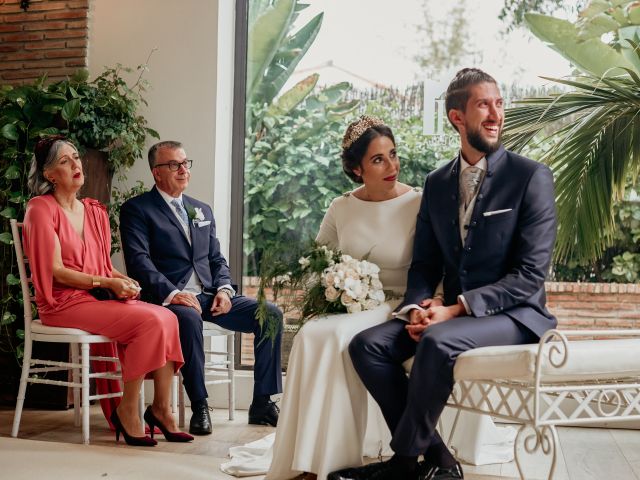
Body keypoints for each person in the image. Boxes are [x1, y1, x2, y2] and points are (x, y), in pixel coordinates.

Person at [222, 116, 517, 480]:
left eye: (393, 155)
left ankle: (344, 458)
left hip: (400, 304)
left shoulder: (419, 202)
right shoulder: (340, 207)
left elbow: (437, 263)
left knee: (333, 338)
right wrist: (335, 285)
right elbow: (318, 262)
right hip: (353, 305)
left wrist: (434, 303)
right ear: (357, 168)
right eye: (378, 159)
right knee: (312, 335)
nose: (391, 166)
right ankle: (311, 458)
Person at [330, 68, 558, 480]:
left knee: (437, 340)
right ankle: (437, 457)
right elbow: (426, 264)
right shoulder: (437, 182)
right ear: (457, 117)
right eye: (483, 104)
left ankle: (402, 464)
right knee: (367, 346)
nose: (495, 114)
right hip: (449, 314)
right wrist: (418, 306)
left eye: (499, 103)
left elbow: (530, 274)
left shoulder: (530, 177)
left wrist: (455, 310)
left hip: (515, 315)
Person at [22, 136, 190, 447]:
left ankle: (161, 409)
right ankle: (129, 408)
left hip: (95, 297)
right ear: (49, 174)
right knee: (150, 322)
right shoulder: (40, 209)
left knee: (168, 316)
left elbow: (102, 266)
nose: (76, 164)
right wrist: (107, 284)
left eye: (76, 157)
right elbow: (56, 271)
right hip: (63, 303)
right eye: (64, 161)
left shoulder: (94, 211)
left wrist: (122, 280)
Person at [119, 141, 283, 436]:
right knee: (188, 317)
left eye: (185, 163)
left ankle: (262, 402)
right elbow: (139, 262)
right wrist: (173, 294)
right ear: (157, 173)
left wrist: (224, 290)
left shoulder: (201, 209)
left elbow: (216, 258)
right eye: (174, 165)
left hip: (208, 295)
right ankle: (200, 405)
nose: (183, 170)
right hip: (166, 299)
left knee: (269, 315)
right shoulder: (137, 209)